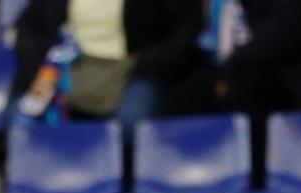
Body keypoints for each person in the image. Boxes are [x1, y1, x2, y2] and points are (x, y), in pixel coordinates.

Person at [10, 0, 203, 128]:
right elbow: (29, 30)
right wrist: (47, 69)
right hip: (60, 70)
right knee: (21, 121)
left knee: (130, 121)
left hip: (136, 72)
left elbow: (186, 34)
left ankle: (126, 186)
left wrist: (148, 63)